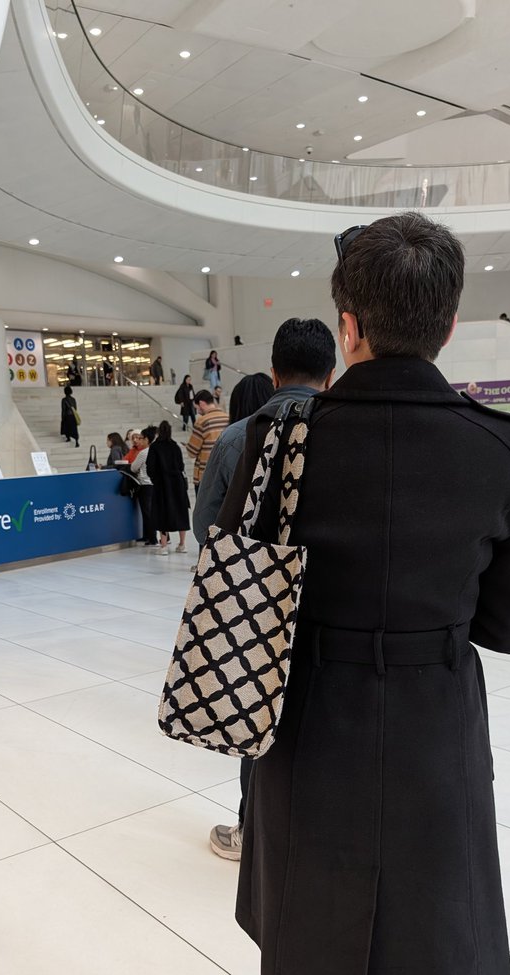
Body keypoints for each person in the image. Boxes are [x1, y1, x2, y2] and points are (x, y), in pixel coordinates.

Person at [216, 212, 510, 975]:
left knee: (316, 954)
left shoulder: (280, 440)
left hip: (307, 727)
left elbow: (241, 592)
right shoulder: (502, 448)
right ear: (446, 325)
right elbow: (509, 623)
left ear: (346, 321)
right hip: (435, 735)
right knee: (431, 962)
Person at [196, 319, 335, 863]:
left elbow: (207, 526)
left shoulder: (238, 437)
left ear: (274, 373)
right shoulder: (346, 431)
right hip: (330, 602)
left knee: (254, 710)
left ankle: (251, 832)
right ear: (331, 373)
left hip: (254, 603)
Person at [146, 421, 190, 554]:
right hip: (178, 483)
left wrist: (155, 479)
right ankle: (182, 544)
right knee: (181, 511)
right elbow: (181, 466)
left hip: (161, 484)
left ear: (158, 432)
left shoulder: (154, 447)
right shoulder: (175, 446)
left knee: (161, 512)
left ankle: (164, 546)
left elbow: (150, 468)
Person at [185, 388, 228, 495]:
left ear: (201, 403)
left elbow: (192, 452)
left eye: (197, 409)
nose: (198, 412)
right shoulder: (228, 418)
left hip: (205, 474)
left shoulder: (202, 421)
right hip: (224, 472)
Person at [129, 427, 157, 546]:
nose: (139, 441)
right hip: (155, 485)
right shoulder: (156, 450)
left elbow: (133, 468)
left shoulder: (143, 453)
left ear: (147, 439)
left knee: (147, 513)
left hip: (145, 485)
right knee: (153, 512)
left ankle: (151, 538)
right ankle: (155, 537)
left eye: (141, 438)